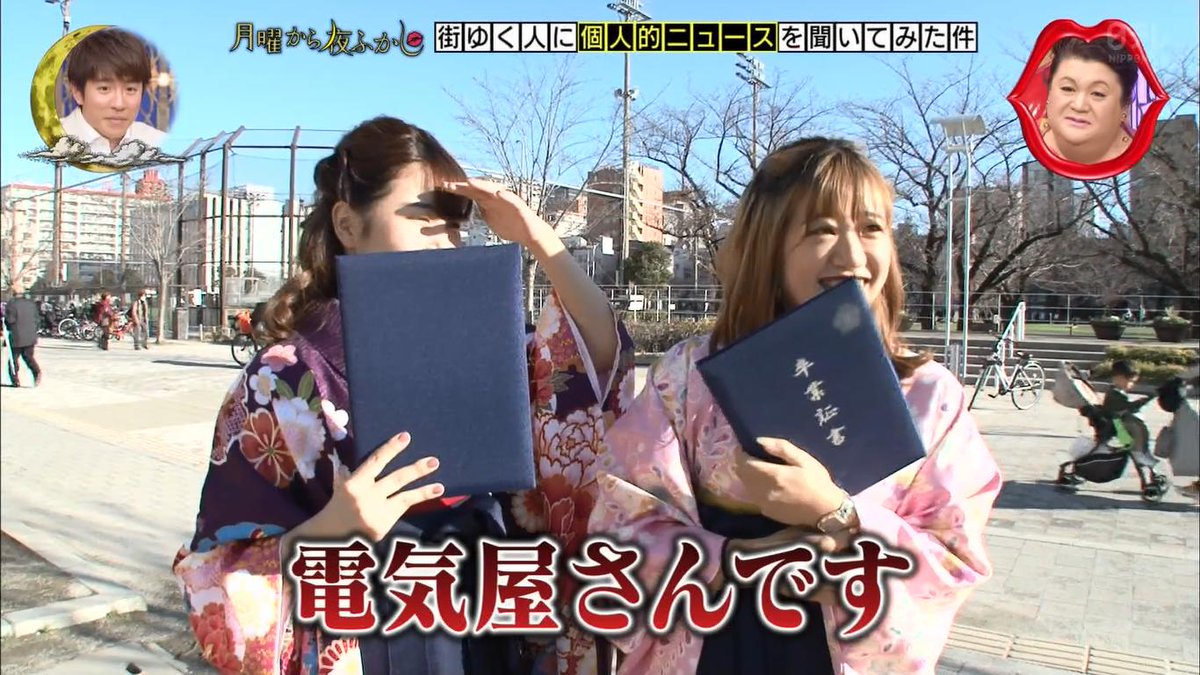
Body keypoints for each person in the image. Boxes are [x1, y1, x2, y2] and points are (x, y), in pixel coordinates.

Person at [172, 116, 637, 675]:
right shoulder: (280, 376)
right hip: (363, 625)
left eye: (456, 229)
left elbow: (593, 361)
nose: (447, 244)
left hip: (486, 610)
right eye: (425, 223)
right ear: (348, 223)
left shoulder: (487, 343)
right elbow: (219, 575)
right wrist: (334, 527)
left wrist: (540, 240)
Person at [589, 138, 1002, 674]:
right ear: (767, 245)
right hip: (710, 645)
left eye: (871, 228)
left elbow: (953, 560)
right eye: (822, 230)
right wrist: (735, 559)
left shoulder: (929, 394)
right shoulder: (688, 374)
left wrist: (838, 515)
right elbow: (620, 520)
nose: (852, 256)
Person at [59, 27, 166, 156]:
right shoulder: (54, 139)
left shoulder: (158, 143)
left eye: (130, 89)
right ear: (78, 92)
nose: (119, 104)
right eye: (104, 89)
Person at [1039, 36, 1139, 165]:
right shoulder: (1034, 140)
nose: (1079, 106)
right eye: (1067, 88)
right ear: (1049, 91)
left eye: (1098, 93)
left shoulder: (1139, 154)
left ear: (1124, 104)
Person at [4, 285, 43, 387]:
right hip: (30, 335)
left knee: (13, 359)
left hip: (17, 335)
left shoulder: (12, 304)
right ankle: (36, 372)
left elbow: (10, 320)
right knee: (28, 357)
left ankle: (15, 380)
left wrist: (7, 326)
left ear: (13, 293)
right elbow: (37, 319)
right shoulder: (31, 304)